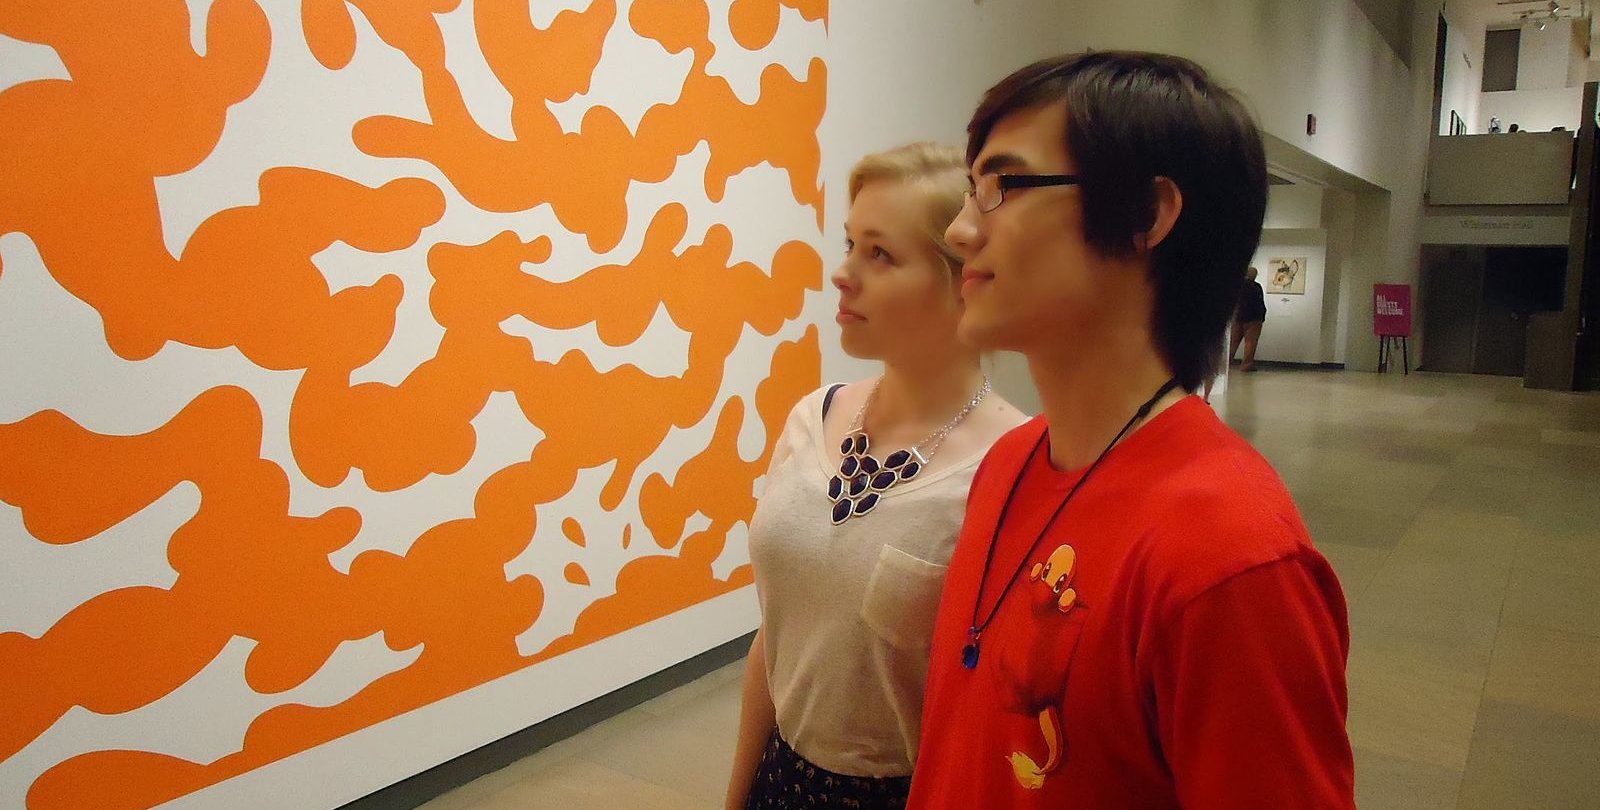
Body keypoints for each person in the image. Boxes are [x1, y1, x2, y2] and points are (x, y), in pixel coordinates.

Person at [906, 52, 1354, 809]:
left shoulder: (1231, 556)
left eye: (1001, 188)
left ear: (1148, 215)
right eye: (968, 190)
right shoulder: (1010, 460)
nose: (958, 232)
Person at [726, 142, 1026, 810]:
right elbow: (777, 638)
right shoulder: (813, 418)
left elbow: (1002, 709)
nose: (843, 273)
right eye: (850, 244)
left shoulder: (1012, 464)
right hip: (782, 781)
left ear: (964, 280)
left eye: (879, 254)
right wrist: (738, 794)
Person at [1231, 265, 1267, 372]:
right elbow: (1259, 303)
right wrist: (1262, 315)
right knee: (1250, 342)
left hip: (1238, 317)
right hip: (1254, 318)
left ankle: (1227, 362)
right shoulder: (1256, 287)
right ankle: (1246, 364)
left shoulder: (1237, 286)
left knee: (1233, 341)